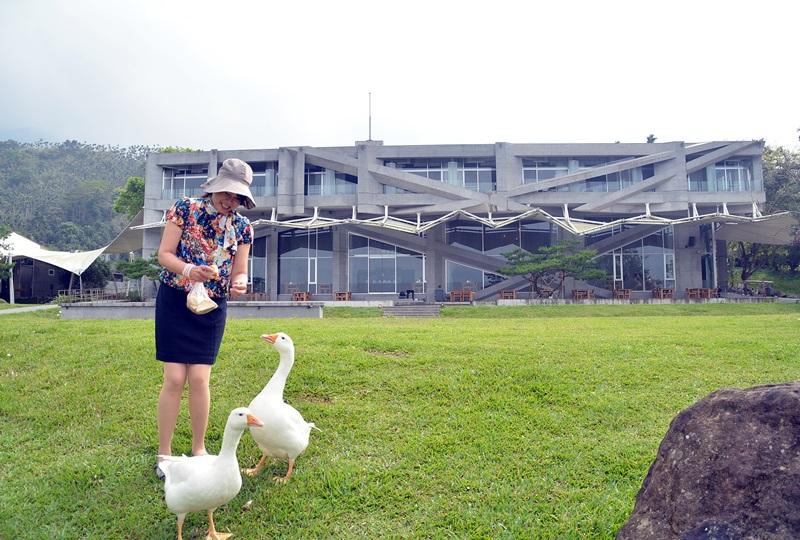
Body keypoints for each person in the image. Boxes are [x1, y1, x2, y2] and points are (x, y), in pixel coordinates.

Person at [154, 158, 255, 479]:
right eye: (226, 192)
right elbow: (164, 254)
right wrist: (189, 270)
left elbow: (240, 271)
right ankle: (165, 454)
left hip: (212, 306)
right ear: (215, 187)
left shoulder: (242, 227)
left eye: (237, 196)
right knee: (174, 379)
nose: (229, 200)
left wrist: (240, 283)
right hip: (175, 298)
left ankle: (199, 449)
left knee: (199, 379)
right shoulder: (184, 209)